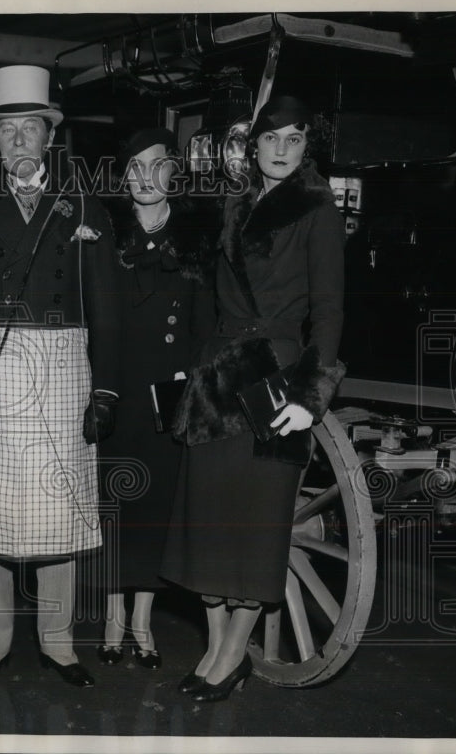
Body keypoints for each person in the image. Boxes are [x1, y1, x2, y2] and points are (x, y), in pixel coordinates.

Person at [0, 65, 120, 688]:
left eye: (30, 129)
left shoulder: (85, 205)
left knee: (58, 511)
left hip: (65, 363)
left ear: (49, 137)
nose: (19, 141)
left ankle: (60, 644)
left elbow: (108, 309)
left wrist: (106, 389)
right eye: (7, 130)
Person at [162, 95, 346, 701]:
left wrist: (311, 393)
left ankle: (234, 651)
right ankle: (216, 647)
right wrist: (193, 372)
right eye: (273, 139)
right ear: (254, 145)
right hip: (219, 381)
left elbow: (329, 310)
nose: (284, 149)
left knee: (254, 523)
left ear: (306, 146)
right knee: (211, 521)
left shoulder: (317, 209)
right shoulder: (235, 206)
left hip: (277, 378)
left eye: (296, 139)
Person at [95, 128, 216, 669]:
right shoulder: (102, 235)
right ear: (123, 178)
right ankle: (109, 619)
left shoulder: (194, 242)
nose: (145, 177)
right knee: (111, 505)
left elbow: (203, 327)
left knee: (155, 508)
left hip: (168, 391)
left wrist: (192, 391)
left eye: (157, 165)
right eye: (133, 167)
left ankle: (141, 620)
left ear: (174, 172)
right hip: (112, 387)